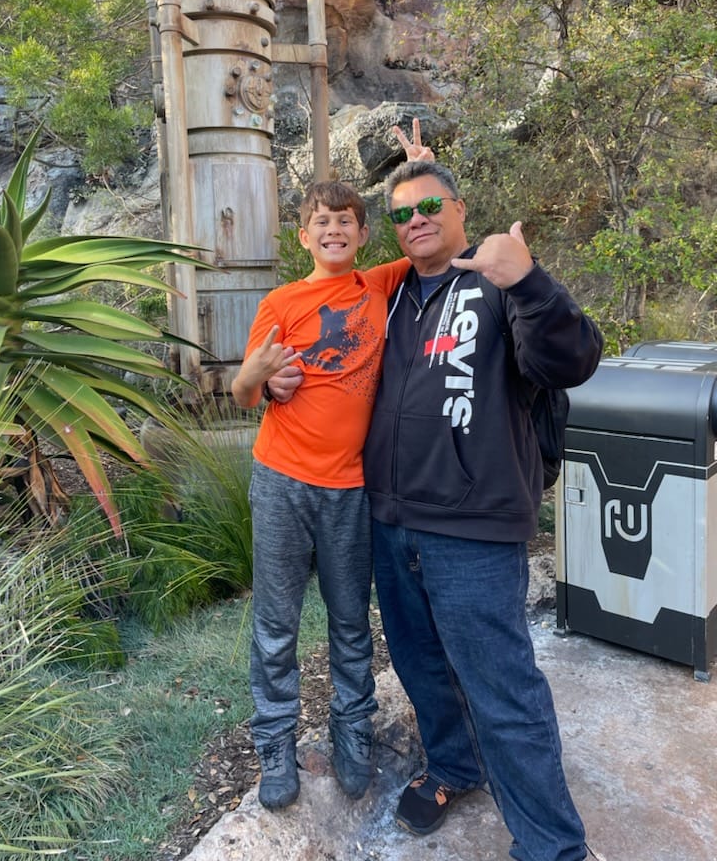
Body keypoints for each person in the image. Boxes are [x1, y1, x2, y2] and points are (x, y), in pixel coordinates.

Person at [269, 124, 602, 860]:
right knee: (421, 666)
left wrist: (532, 281)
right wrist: (271, 379)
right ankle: (454, 766)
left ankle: (551, 847)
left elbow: (569, 360)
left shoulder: (497, 282)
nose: (415, 219)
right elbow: (327, 367)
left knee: (503, 690)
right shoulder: (384, 297)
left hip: (475, 530)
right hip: (392, 522)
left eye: (430, 207)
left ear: (461, 211)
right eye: (402, 212)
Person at [231, 178, 410, 811]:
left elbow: (427, 238)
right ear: (303, 236)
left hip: (349, 490)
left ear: (363, 234)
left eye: (346, 221)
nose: (333, 230)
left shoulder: (381, 286)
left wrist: (425, 170)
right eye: (321, 222)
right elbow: (245, 392)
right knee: (276, 623)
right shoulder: (280, 301)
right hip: (281, 482)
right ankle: (275, 741)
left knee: (350, 620)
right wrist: (255, 376)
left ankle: (351, 728)